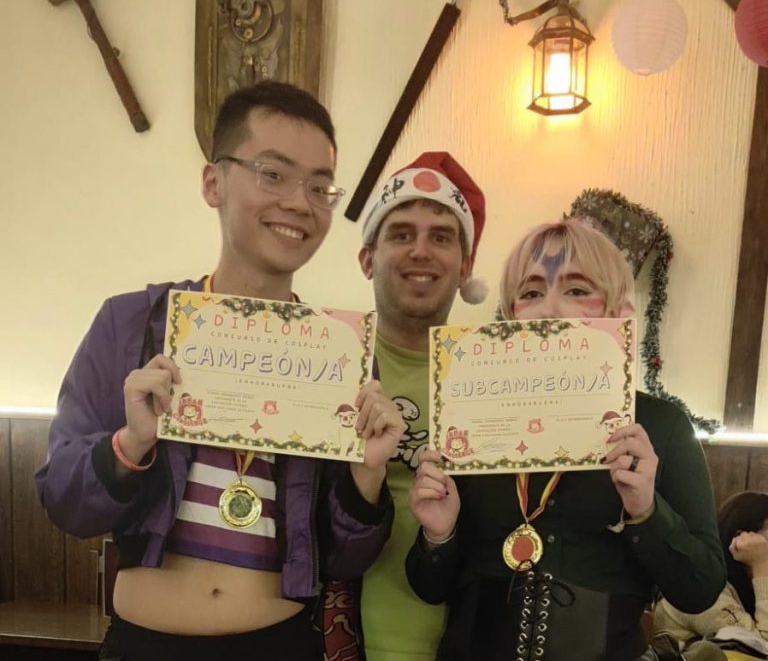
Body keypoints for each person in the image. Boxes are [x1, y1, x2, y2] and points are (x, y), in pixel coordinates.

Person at [35, 81, 405, 661]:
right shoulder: (132, 324)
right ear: (214, 182)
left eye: (319, 187)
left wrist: (367, 477)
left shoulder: (340, 355)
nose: (300, 203)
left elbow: (343, 558)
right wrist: (130, 446)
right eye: (273, 174)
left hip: (280, 646)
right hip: (145, 645)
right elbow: (64, 500)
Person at [406, 218, 726, 660]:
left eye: (576, 290)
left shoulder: (660, 426)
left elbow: (701, 590)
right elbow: (430, 587)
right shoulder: (470, 422)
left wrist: (647, 511)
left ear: (619, 314)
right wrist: (438, 535)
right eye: (531, 292)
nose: (550, 310)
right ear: (510, 315)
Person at [322, 152, 487, 661]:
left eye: (441, 237)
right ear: (367, 258)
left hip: (474, 638)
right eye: (401, 234)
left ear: (465, 265)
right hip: (333, 638)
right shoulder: (324, 363)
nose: (421, 251)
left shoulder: (496, 375)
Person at [654, 490, 768, 644]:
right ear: (740, 539)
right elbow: (761, 648)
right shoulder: (703, 588)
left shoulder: (744, 583)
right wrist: (762, 568)